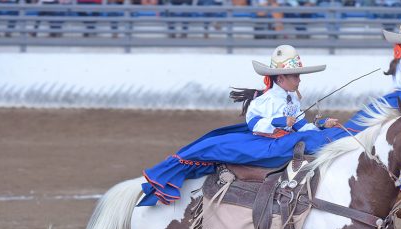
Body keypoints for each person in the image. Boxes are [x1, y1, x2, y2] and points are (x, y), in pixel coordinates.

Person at [139, 45, 339, 206]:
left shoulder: (292, 101)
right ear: (280, 78)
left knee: (314, 135)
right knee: (213, 146)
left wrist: (322, 125)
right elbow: (255, 125)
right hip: (266, 143)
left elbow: (302, 125)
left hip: (286, 140)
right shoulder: (263, 101)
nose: (299, 79)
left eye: (298, 75)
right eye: (295, 75)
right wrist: (280, 123)